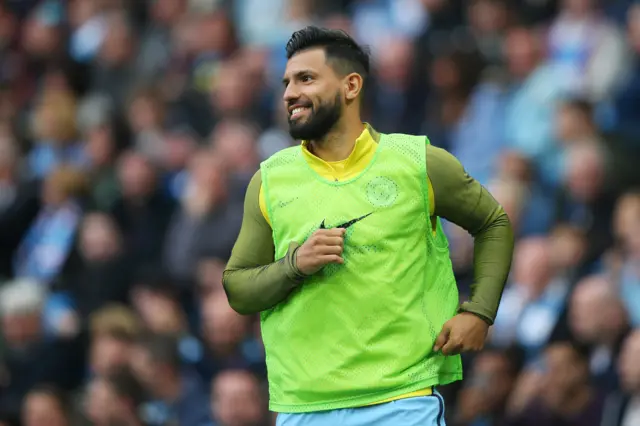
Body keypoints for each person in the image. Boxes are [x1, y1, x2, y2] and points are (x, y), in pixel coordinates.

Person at [223, 26, 514, 426]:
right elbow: (237, 287)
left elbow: (493, 222)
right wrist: (293, 265)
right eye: (286, 82)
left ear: (351, 85)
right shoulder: (269, 180)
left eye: (305, 78)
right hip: (302, 407)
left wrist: (479, 312)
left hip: (402, 398)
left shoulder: (418, 162)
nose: (289, 93)